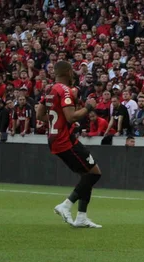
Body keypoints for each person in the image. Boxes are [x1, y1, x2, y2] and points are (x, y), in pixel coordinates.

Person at [36, 60, 102, 228]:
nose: (74, 74)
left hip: (55, 138)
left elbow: (39, 114)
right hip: (64, 141)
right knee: (94, 174)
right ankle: (66, 205)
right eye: (72, 71)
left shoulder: (50, 89)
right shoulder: (64, 90)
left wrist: (57, 123)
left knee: (87, 175)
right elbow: (71, 116)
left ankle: (81, 217)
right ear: (67, 73)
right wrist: (88, 107)